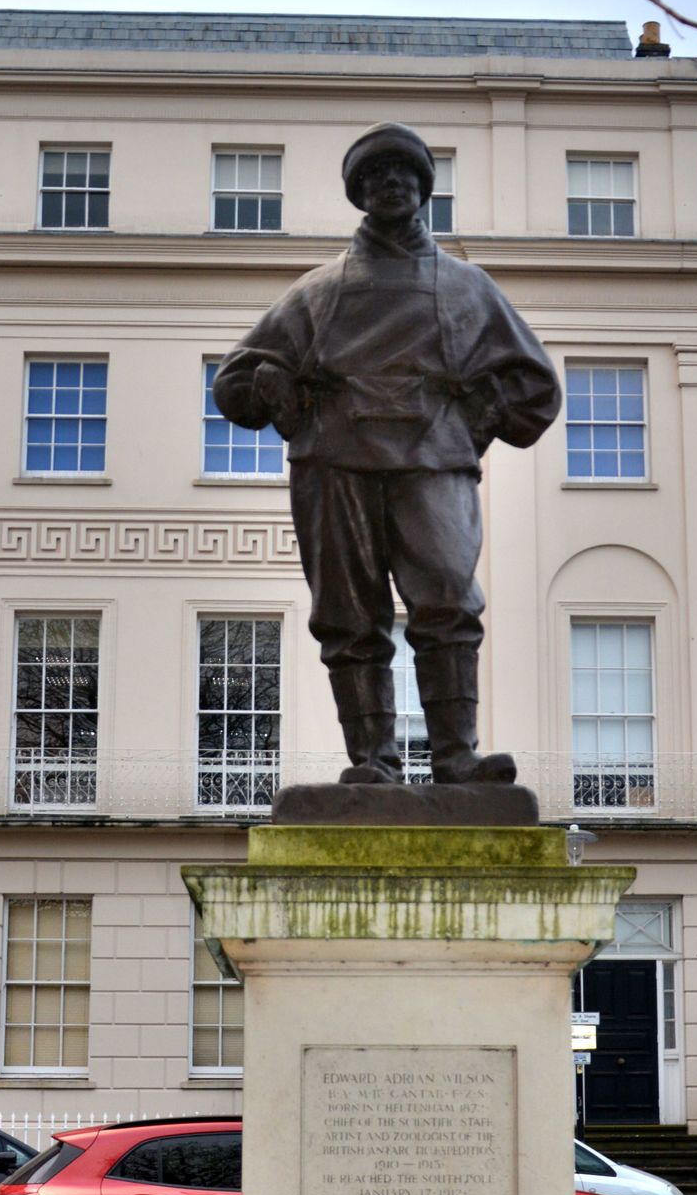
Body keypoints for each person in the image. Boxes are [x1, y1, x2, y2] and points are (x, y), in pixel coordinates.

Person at [212, 123, 561, 784]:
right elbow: (234, 382)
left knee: (449, 604)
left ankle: (456, 757)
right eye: (377, 177)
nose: (392, 185)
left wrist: (474, 423)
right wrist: (276, 393)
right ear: (359, 193)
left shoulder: (467, 287)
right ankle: (373, 759)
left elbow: (535, 387)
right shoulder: (317, 290)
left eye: (405, 175)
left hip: (432, 462)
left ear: (424, 190)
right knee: (348, 616)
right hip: (334, 463)